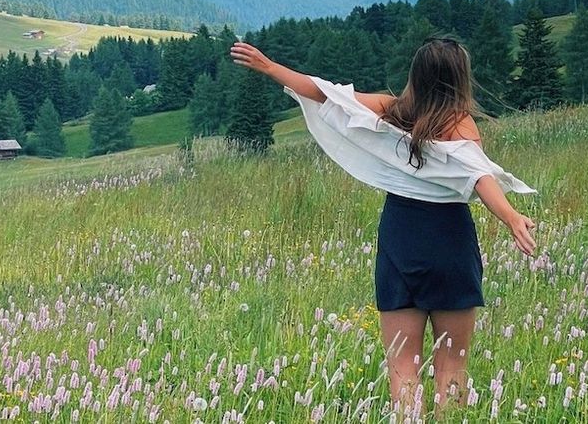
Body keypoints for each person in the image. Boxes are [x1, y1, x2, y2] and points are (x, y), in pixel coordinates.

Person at [230, 37, 537, 421]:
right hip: (450, 243)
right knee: (452, 367)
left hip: (401, 238)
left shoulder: (392, 110)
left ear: (417, 76)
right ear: (459, 79)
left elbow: (328, 95)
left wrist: (269, 66)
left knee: (402, 365)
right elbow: (479, 175)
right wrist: (510, 217)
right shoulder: (460, 124)